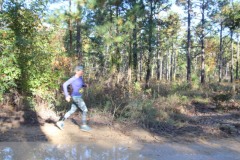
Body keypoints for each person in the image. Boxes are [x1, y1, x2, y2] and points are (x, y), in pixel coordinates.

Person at [56, 65, 91, 132]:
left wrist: (85, 85)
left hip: (78, 97)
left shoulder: (80, 78)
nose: (82, 72)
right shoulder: (73, 78)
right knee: (85, 110)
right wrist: (67, 95)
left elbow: (81, 84)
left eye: (82, 71)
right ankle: (84, 126)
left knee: (72, 110)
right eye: (81, 71)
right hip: (76, 97)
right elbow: (65, 84)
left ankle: (60, 122)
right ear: (76, 71)